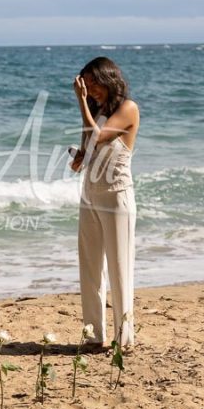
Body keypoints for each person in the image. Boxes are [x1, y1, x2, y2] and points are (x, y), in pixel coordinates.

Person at [70, 56, 139, 350]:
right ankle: (92, 335)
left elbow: (99, 137)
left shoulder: (128, 108)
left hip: (116, 196)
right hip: (90, 195)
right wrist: (78, 158)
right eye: (86, 85)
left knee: (119, 267)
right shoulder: (95, 111)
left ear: (108, 79)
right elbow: (88, 149)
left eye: (94, 83)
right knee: (90, 267)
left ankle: (123, 338)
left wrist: (80, 103)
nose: (90, 90)